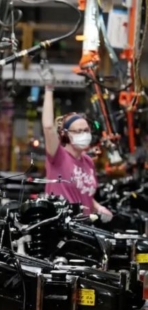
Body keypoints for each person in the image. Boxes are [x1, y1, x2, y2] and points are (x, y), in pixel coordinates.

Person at [40, 64, 112, 219]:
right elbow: (47, 127)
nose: (84, 134)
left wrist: (99, 208)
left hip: (83, 228)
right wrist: (49, 88)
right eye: (78, 131)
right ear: (66, 135)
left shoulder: (88, 162)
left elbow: (84, 194)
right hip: (61, 230)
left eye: (86, 130)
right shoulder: (58, 157)